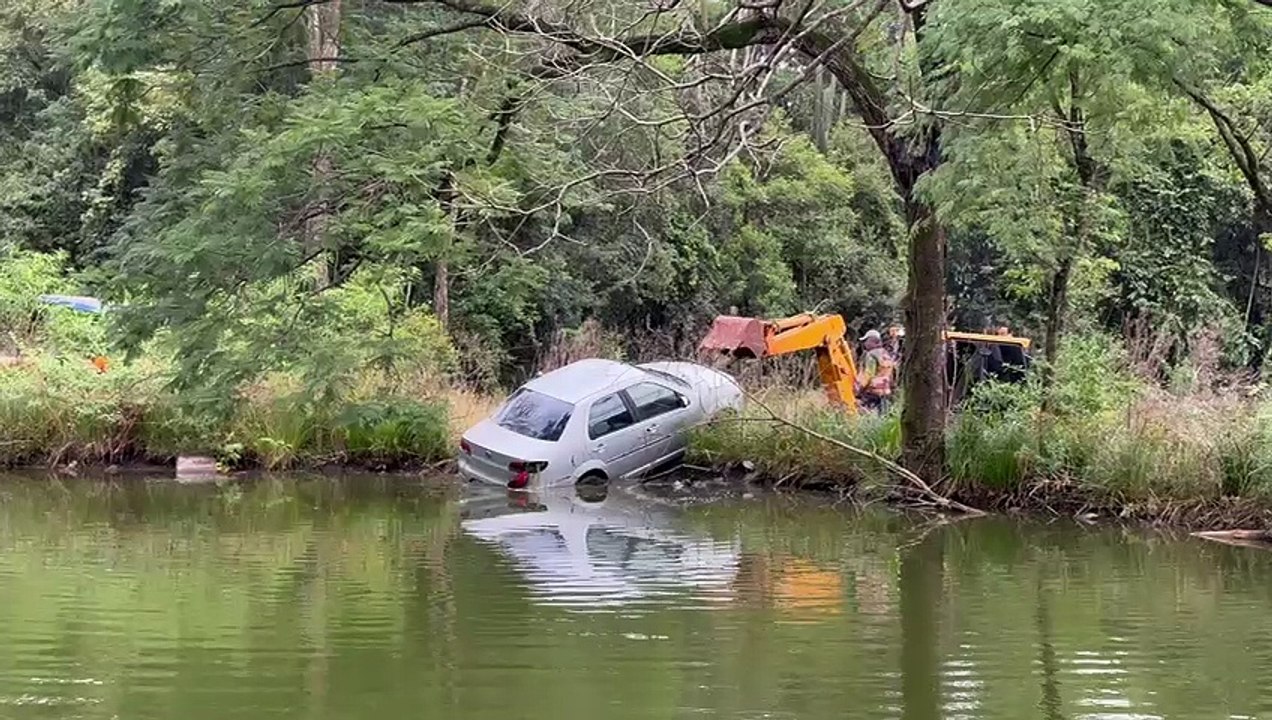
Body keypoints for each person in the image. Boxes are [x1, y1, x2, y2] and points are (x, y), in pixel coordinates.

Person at [855, 329, 896, 412]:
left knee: (868, 413)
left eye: (865, 341)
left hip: (872, 392)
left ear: (872, 341)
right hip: (885, 391)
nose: (864, 344)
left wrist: (857, 388)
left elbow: (868, 374)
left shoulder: (871, 355)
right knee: (883, 414)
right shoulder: (885, 354)